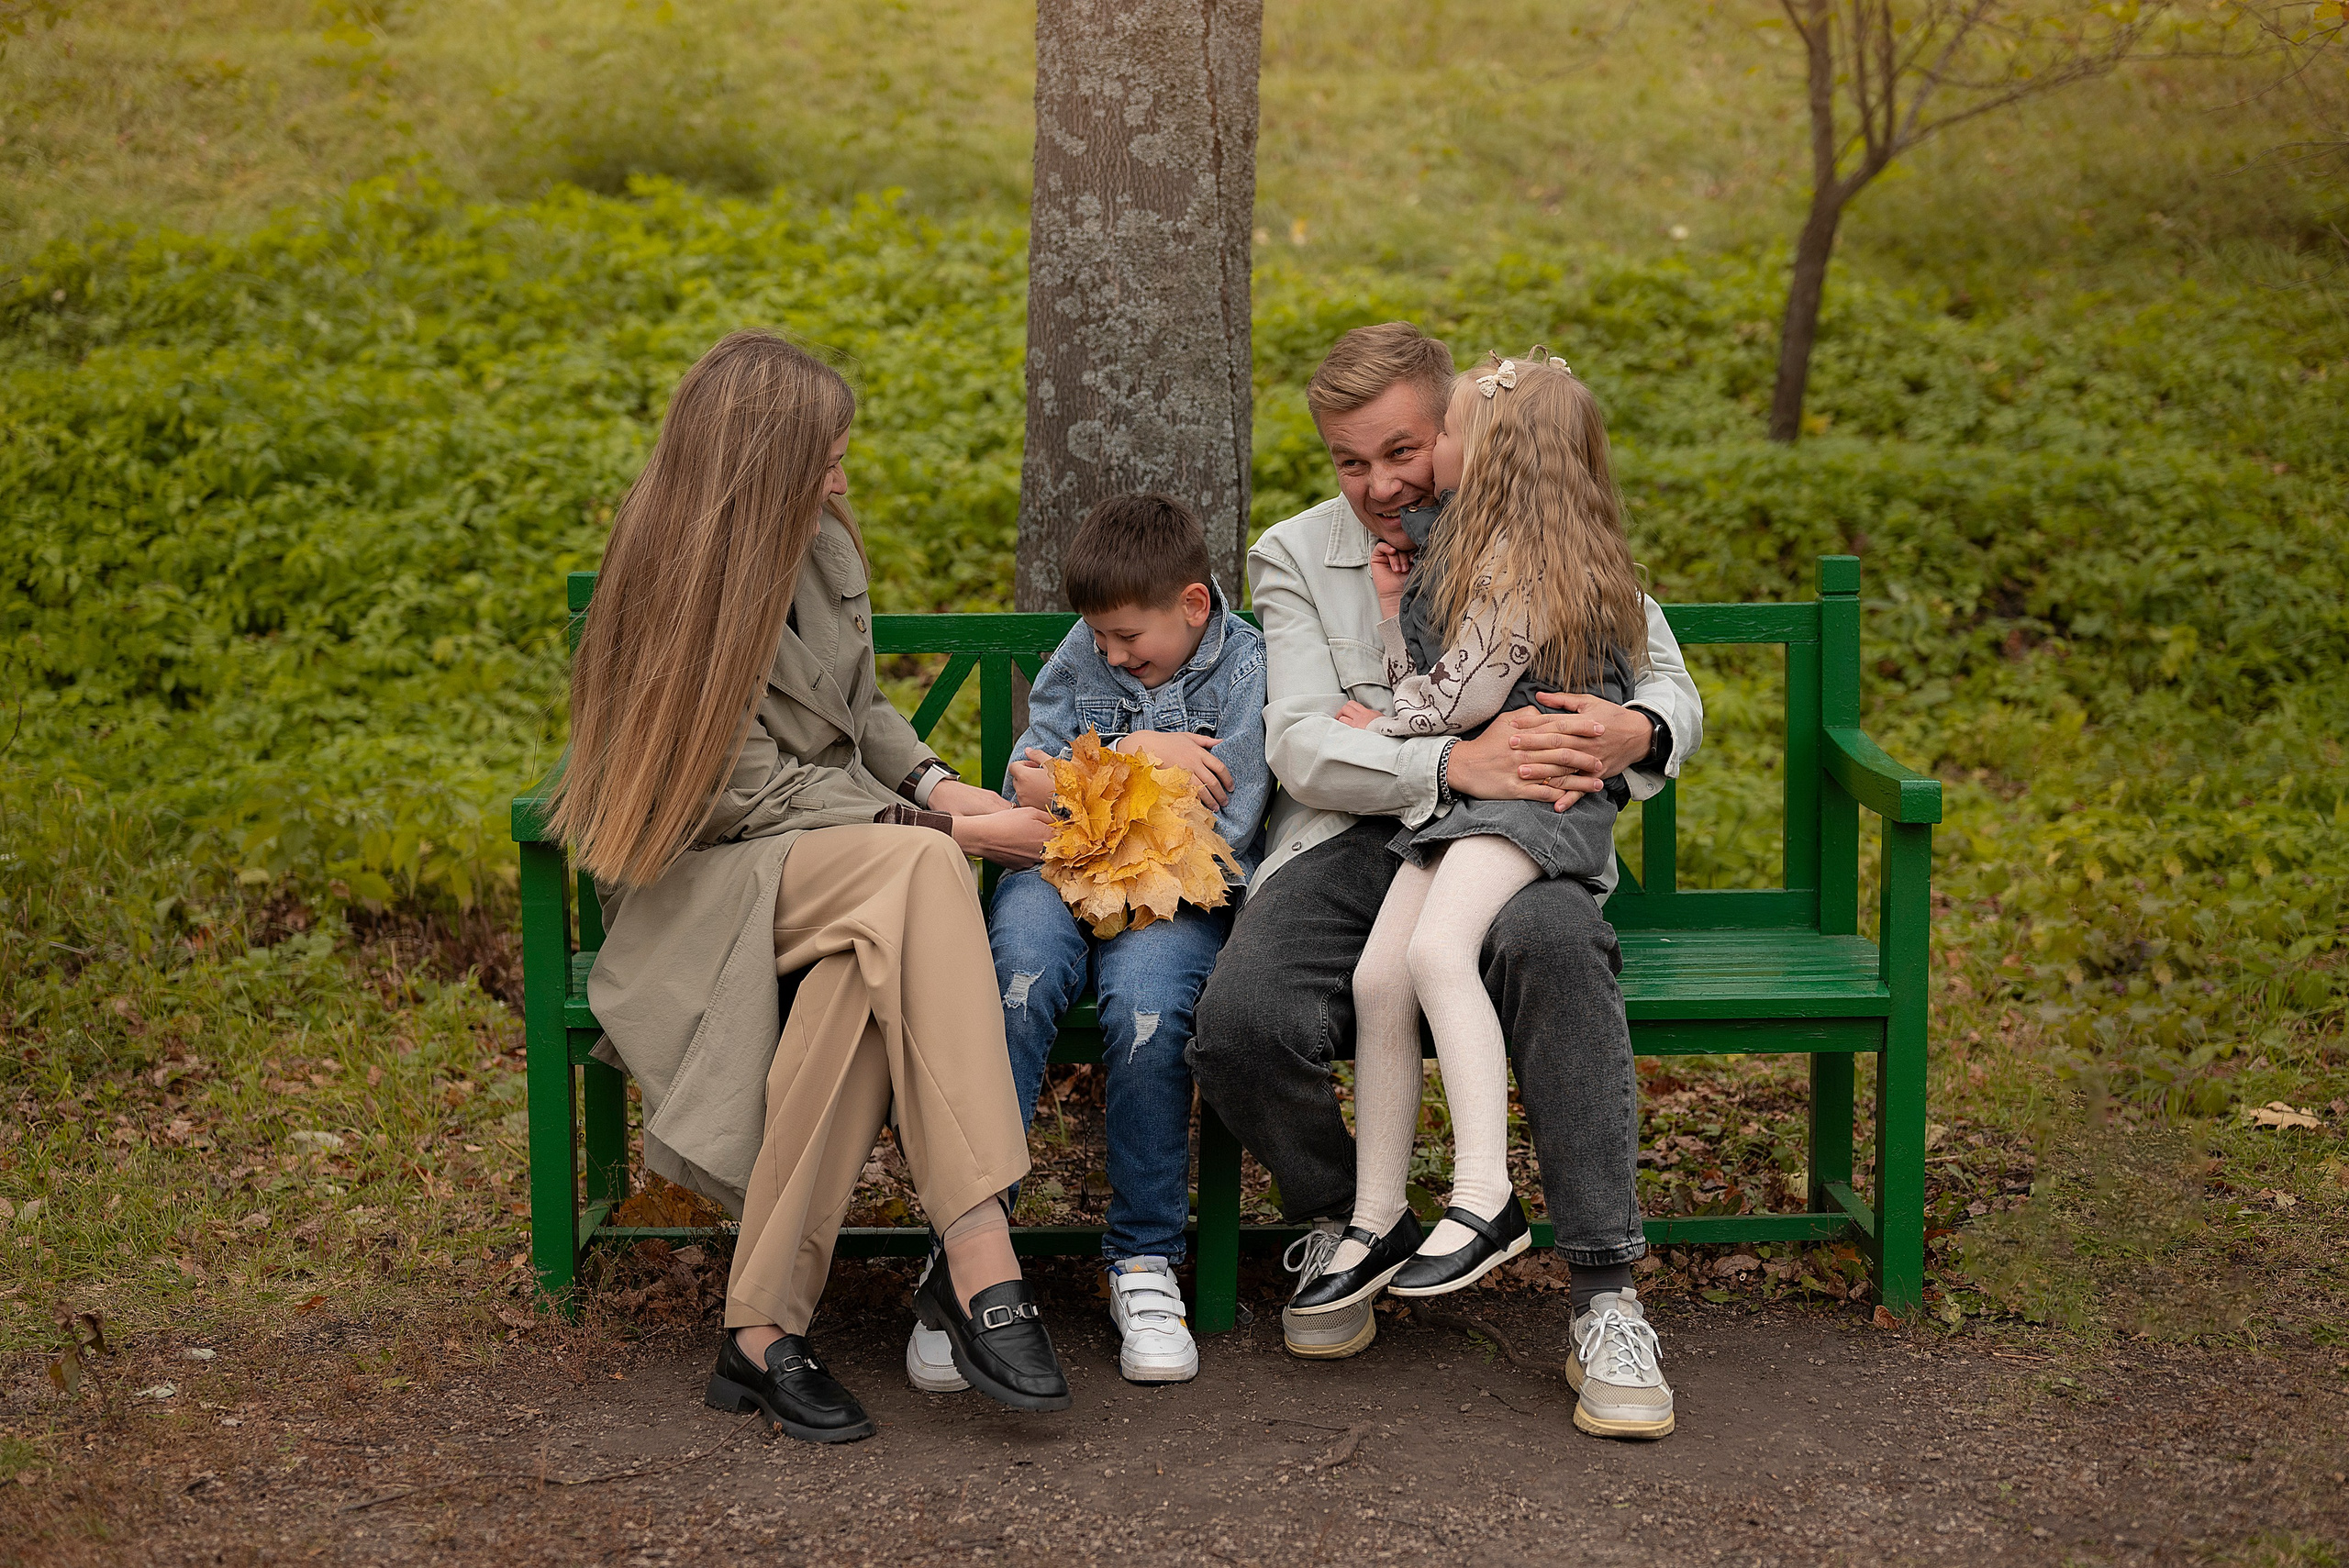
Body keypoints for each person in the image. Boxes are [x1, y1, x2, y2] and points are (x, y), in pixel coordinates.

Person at [560, 329, 1074, 1444]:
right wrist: (951, 827)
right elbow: (743, 794)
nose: (840, 483)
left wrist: (939, 783)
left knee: (856, 980)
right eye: (824, 462)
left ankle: (759, 1329)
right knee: (922, 866)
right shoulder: (671, 578)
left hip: (838, 869)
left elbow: (860, 707)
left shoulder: (815, 541)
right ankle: (979, 1247)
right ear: (761, 467)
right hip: (705, 882)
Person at [1189, 322, 1700, 1441]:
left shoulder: (1524, 508)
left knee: (1555, 948)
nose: (1379, 484)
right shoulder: (1296, 552)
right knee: (1241, 1019)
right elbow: (1301, 741)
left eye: (1402, 451)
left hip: (1520, 818)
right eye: (1349, 460)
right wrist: (1448, 762)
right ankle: (1350, 1219)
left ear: (1456, 431)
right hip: (1357, 826)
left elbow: (1660, 672)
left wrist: (1636, 728)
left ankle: (1605, 1293)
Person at [1292, 351, 1645, 1323]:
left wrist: (1386, 723)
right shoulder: (1479, 542)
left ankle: (1485, 1193)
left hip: (1534, 795)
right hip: (1473, 802)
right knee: (1379, 978)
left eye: (1441, 433)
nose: (1424, 457)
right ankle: (1375, 1215)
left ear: (1487, 456)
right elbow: (1447, 664)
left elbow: (1464, 695)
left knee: (1438, 952)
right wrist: (1394, 604)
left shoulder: (1526, 566)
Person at [935, 493, 1267, 1388]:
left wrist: (1083, 779)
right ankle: (970, 1255)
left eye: (1127, 638)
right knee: (1014, 980)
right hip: (1053, 868)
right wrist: (1148, 755)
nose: (1111, 655)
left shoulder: (1246, 668)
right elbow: (1026, 779)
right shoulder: (1084, 648)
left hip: (1172, 892)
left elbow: (1227, 816)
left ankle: (1143, 1258)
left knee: (1148, 1010)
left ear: (1191, 605)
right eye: (1101, 638)